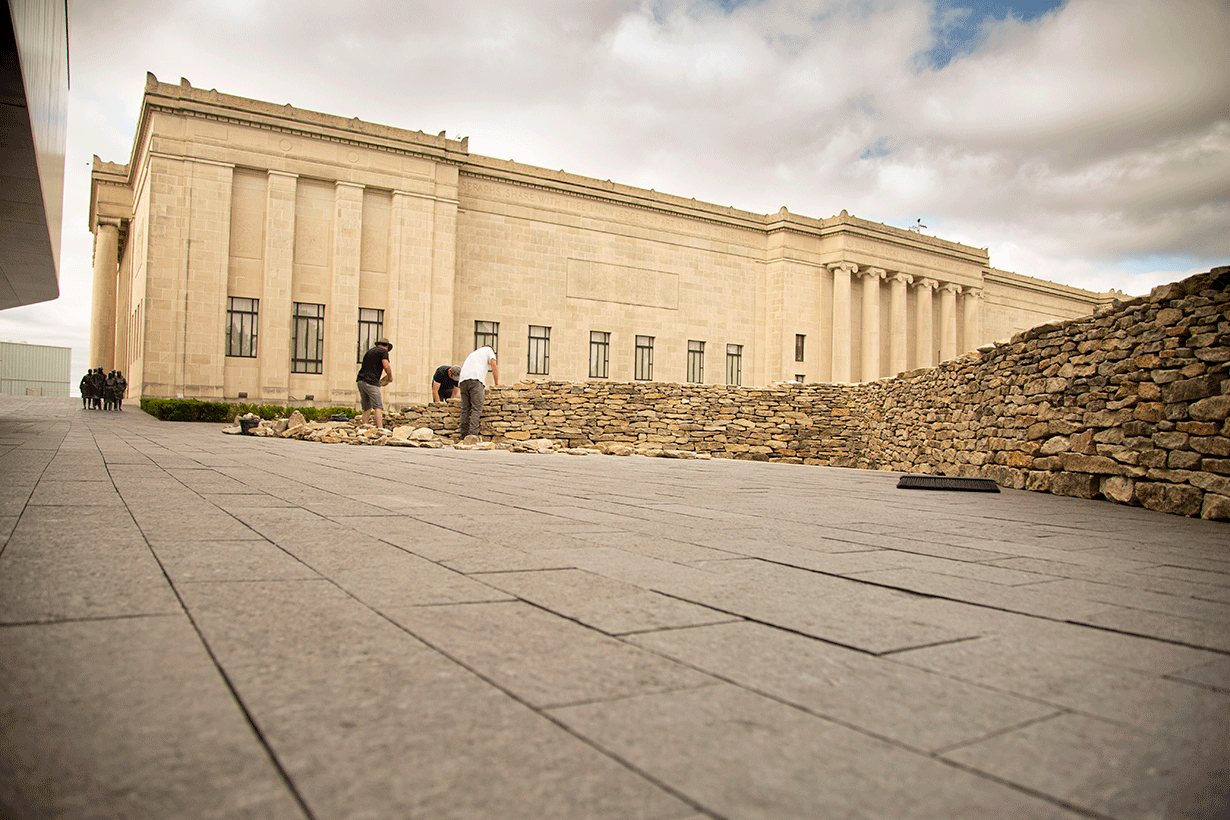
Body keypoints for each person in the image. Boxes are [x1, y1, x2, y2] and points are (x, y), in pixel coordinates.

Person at [457, 345, 499, 440]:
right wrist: (497, 383)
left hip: (463, 381)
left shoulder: (474, 354)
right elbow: (494, 366)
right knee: (476, 408)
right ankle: (473, 436)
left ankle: (463, 436)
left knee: (465, 409)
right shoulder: (489, 350)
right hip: (475, 380)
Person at [356, 338, 394, 429]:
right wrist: (390, 377)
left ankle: (364, 427)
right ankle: (380, 429)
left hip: (360, 381)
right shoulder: (383, 352)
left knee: (367, 407)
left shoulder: (369, 352)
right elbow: (386, 365)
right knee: (378, 406)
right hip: (371, 382)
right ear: (387, 346)